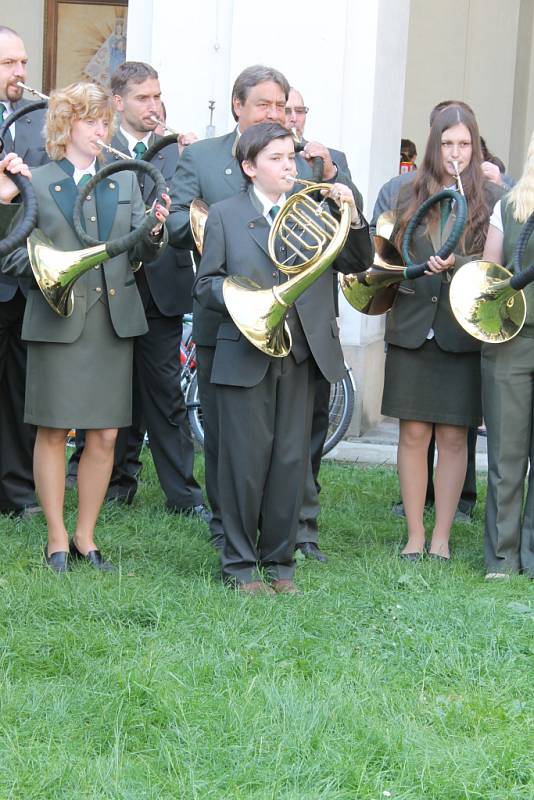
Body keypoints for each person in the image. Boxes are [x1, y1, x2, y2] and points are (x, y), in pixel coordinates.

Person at [167, 64, 359, 550]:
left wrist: (340, 188)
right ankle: (228, 530)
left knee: (301, 438)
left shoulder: (315, 161)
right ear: (238, 106)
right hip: (232, 323)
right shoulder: (203, 156)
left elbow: (350, 245)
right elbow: (176, 223)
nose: (278, 114)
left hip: (304, 329)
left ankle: (299, 531)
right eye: (266, 105)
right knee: (231, 438)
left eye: (283, 106)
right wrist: (228, 244)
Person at [193, 121, 372, 594]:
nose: (287, 166)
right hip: (245, 351)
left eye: (290, 157)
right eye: (275, 159)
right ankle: (239, 563)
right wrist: (248, 300)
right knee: (243, 462)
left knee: (290, 460)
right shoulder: (226, 215)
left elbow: (358, 261)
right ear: (249, 168)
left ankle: (280, 562)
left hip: (300, 353)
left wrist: (352, 216)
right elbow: (206, 283)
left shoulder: (318, 207)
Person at [1, 82, 169, 572]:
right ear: (65, 125)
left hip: (112, 325)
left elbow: (140, 253)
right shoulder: (38, 178)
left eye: (104, 122)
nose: (101, 130)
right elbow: (11, 250)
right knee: (53, 432)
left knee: (106, 438)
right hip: (57, 320)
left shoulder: (124, 180)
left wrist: (154, 231)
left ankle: (85, 536)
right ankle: (55, 538)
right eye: (90, 120)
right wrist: (46, 274)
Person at [66, 61, 208, 520]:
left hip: (161, 286)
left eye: (157, 96)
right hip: (108, 284)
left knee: (164, 392)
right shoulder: (96, 148)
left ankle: (182, 494)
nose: (154, 106)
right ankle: (113, 482)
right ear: (118, 102)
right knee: (107, 387)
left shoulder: (180, 152)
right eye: (143, 98)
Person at [380, 104, 503, 561]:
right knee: (412, 435)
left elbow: (495, 268)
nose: (456, 153)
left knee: (454, 438)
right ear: (435, 145)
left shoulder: (490, 199)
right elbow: (387, 260)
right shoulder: (405, 195)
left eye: (465, 144)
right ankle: (414, 533)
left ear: (476, 146)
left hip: (460, 330)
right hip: (413, 327)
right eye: (448, 144)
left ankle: (442, 537)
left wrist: (460, 264)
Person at [285, 85, 360, 562]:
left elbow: (355, 251)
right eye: (283, 109)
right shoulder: (255, 160)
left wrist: (332, 175)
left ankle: (304, 528)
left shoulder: (329, 162)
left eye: (299, 110)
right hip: (267, 318)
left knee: (311, 431)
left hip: (315, 323)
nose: (293, 118)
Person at [481, 130, 534, 579]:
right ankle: (502, 556)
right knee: (506, 454)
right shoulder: (509, 206)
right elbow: (489, 276)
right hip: (511, 341)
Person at [0, 26, 48, 519]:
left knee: (19, 392)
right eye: (10, 64)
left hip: (22, 280)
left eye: (23, 62)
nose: (21, 73)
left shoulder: (34, 123)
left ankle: (16, 494)